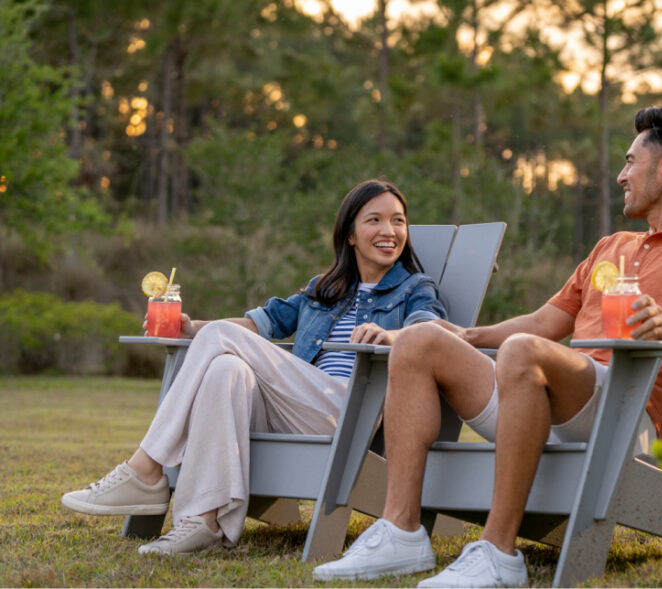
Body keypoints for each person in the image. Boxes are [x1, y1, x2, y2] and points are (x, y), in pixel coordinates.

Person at [312, 102, 662, 587]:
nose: (620, 175)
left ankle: (498, 553)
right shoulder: (611, 248)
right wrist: (464, 336)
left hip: (631, 415)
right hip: (558, 403)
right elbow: (544, 320)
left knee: (524, 350)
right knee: (421, 340)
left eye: (631, 161)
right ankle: (401, 533)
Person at [61, 179, 446, 555]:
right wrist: (192, 328)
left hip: (351, 409)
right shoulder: (323, 289)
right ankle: (204, 521)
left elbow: (430, 327)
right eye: (374, 220)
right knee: (225, 369)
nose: (390, 230)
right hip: (297, 406)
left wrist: (392, 336)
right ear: (350, 234)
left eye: (398, 220)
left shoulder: (414, 287)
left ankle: (145, 468)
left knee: (220, 343)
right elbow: (261, 323)